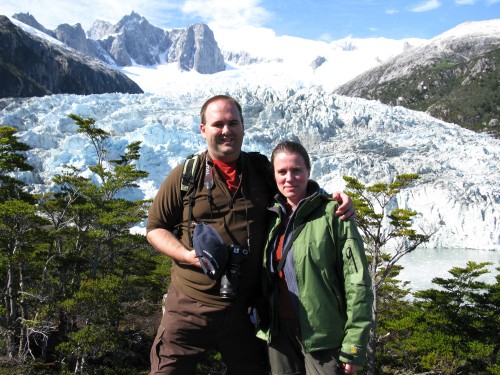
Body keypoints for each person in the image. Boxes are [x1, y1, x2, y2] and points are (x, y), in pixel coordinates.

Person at [146, 95, 355, 375]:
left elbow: (293, 187)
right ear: (203, 129)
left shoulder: (259, 171)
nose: (226, 130)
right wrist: (187, 255)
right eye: (217, 124)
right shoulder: (186, 176)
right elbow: (155, 228)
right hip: (189, 306)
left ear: (243, 127)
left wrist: (332, 200)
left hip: (244, 309)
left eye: (233, 123)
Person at [259, 141, 373, 375]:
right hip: (279, 335)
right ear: (274, 175)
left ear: (308, 171)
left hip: (324, 337)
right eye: (282, 172)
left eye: (296, 170)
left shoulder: (334, 213)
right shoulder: (270, 217)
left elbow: (357, 281)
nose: (289, 178)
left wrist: (355, 345)